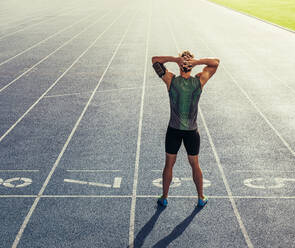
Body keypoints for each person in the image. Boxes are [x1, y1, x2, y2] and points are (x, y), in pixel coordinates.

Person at [151, 51, 220, 207]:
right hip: (188, 131)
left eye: (188, 61)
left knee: (184, 164)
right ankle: (198, 197)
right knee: (177, 164)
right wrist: (179, 60)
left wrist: (191, 61)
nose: (186, 63)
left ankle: (167, 197)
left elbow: (216, 61)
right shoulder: (197, 81)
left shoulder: (171, 81)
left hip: (176, 131)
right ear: (180, 64)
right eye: (185, 61)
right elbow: (154, 60)